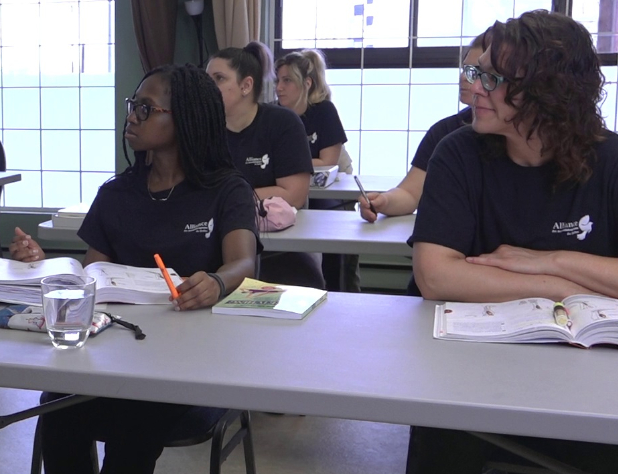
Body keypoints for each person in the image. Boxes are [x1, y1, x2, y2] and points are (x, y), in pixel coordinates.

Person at [409, 10, 618, 474]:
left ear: (547, 92)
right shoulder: (458, 152)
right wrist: (562, 285)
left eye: (492, 77)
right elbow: (436, 274)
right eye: (476, 71)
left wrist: (554, 258)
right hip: (475, 374)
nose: (474, 86)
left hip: (587, 380)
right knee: (437, 432)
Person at [10, 63, 260, 474]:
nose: (133, 116)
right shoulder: (117, 193)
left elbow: (244, 263)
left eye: (147, 109)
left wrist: (216, 282)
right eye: (133, 106)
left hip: (189, 367)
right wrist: (44, 265)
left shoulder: (225, 189)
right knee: (57, 408)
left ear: (184, 118)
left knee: (135, 427)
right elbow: (92, 275)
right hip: (114, 355)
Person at [206, 42, 323, 287]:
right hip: (217, 242)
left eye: (219, 79)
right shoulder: (204, 129)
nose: (208, 87)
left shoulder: (282, 122)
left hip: (279, 249)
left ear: (246, 85)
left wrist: (228, 201)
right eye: (207, 79)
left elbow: (294, 194)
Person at [356, 29, 490, 222]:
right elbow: (410, 193)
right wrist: (384, 201)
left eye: (476, 72)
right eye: (465, 69)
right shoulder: (445, 132)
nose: (464, 77)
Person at [275, 49, 357, 291]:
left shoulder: (324, 111)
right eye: (278, 80)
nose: (279, 87)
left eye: (287, 81)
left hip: (328, 188)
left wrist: (288, 164)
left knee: (331, 231)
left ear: (307, 83)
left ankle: (340, 290)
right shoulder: (273, 114)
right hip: (293, 190)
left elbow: (328, 161)